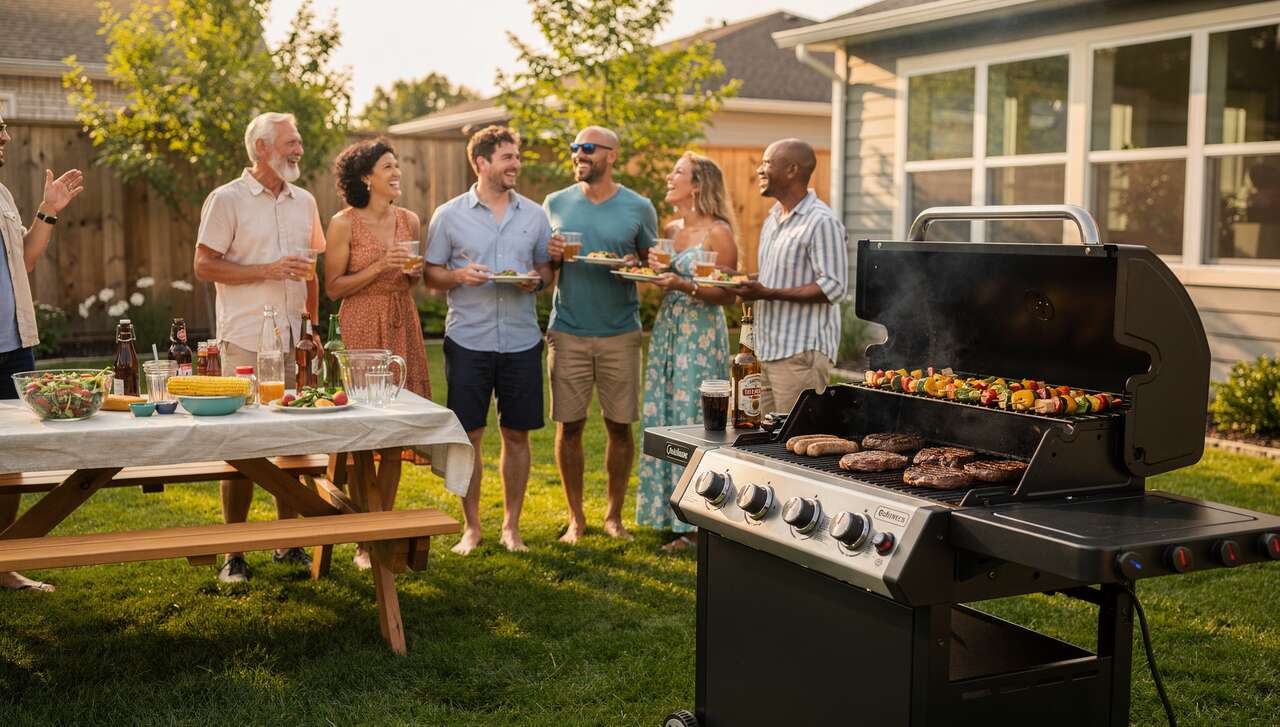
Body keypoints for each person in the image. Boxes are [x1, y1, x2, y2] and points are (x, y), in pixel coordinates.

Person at [193, 112, 325, 583]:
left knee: (291, 442)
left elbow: (311, 270)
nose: (299, 150)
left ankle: (287, 541)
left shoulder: (304, 201)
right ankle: (234, 552)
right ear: (262, 149)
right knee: (244, 447)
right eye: (292, 142)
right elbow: (205, 266)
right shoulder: (226, 199)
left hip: (293, 339)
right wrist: (266, 270)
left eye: (299, 141)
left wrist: (311, 326)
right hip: (246, 340)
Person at [424, 126, 552, 554]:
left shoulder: (534, 215)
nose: (516, 164)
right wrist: (459, 276)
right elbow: (430, 274)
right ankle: (473, 526)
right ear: (481, 163)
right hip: (469, 340)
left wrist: (534, 283)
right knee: (470, 436)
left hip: (520, 340)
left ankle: (511, 527)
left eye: (517, 157)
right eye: (507, 157)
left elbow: (544, 271)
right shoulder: (448, 214)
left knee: (517, 434)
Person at [544, 126, 658, 544]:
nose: (578, 154)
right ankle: (576, 518)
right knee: (568, 427)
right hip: (568, 331)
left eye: (587, 148)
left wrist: (633, 264)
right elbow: (542, 273)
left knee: (619, 426)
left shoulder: (639, 207)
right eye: (574, 148)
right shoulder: (554, 203)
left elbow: (652, 266)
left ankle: (613, 517)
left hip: (620, 334)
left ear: (611, 155)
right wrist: (550, 257)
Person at [0, 113, 85, 592]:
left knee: (10, 458)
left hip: (13, 348)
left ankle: (3, 561)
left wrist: (48, 211)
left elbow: (26, 259)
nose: (5, 136)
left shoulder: (4, 196)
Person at [637, 152, 738, 552]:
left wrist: (683, 285)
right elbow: (663, 274)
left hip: (700, 332)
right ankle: (668, 513)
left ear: (697, 185)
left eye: (677, 173)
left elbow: (726, 295)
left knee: (693, 419)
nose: (668, 177)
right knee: (664, 414)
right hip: (669, 329)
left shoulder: (718, 232)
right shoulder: (670, 227)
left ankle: (700, 522)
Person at [730, 138, 847, 415]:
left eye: (767, 163)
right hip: (768, 351)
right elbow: (778, 275)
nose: (759, 170)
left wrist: (766, 293)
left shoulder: (821, 221)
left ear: (792, 170)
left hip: (800, 355)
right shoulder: (773, 219)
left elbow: (833, 287)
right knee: (762, 438)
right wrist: (739, 277)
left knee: (794, 442)